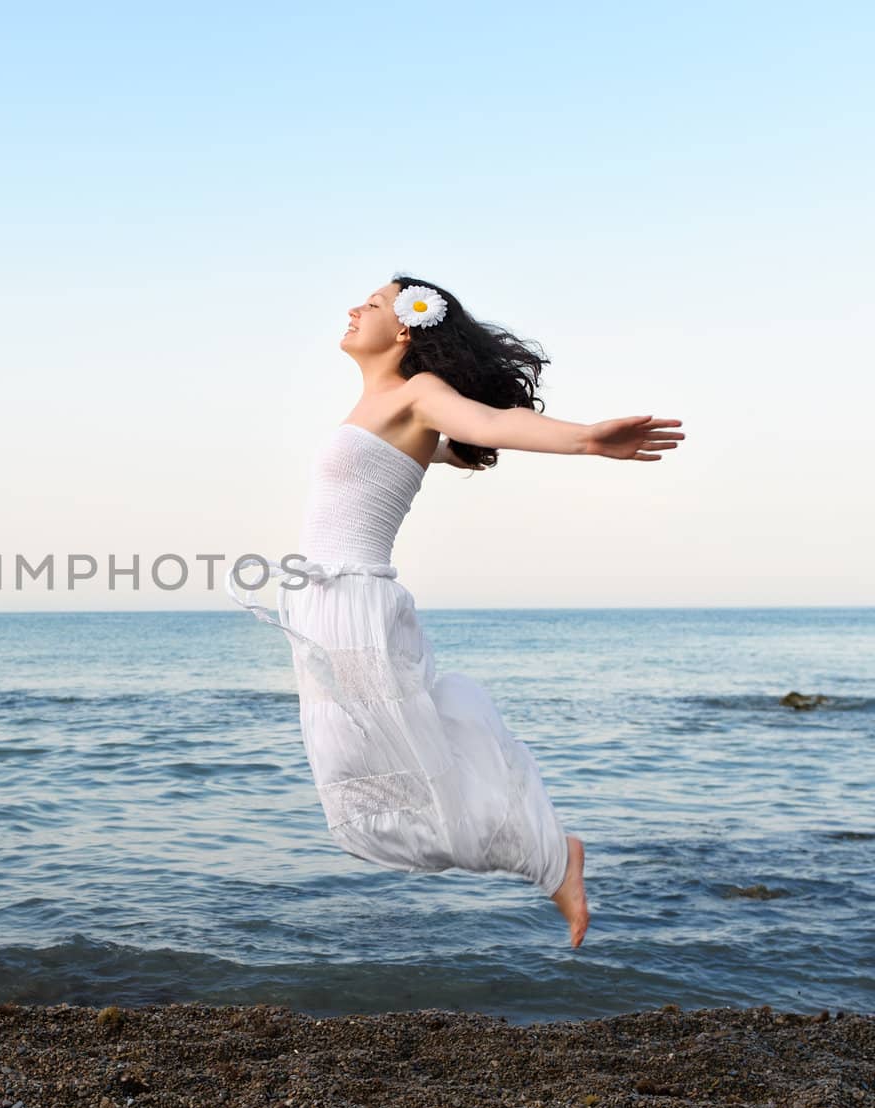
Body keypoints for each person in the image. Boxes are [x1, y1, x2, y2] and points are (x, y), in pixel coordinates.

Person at [225, 276, 684, 948]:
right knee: (361, 773)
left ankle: (553, 857)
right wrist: (449, 450)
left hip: (352, 598)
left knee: (393, 777)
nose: (355, 309)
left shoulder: (419, 393)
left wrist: (585, 438)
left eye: (373, 304)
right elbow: (452, 445)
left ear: (407, 329)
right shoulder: (388, 410)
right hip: (323, 602)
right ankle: (548, 854)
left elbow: (492, 423)